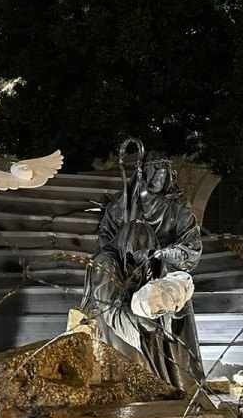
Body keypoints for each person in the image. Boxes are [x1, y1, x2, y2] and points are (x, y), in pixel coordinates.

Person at [82, 142, 204, 392]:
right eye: (153, 169)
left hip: (162, 277)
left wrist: (160, 253)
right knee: (106, 283)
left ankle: (170, 375)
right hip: (123, 272)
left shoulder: (178, 210)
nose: (158, 175)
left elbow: (191, 251)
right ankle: (124, 364)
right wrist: (124, 251)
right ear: (143, 172)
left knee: (165, 299)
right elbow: (105, 239)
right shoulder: (121, 206)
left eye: (163, 171)